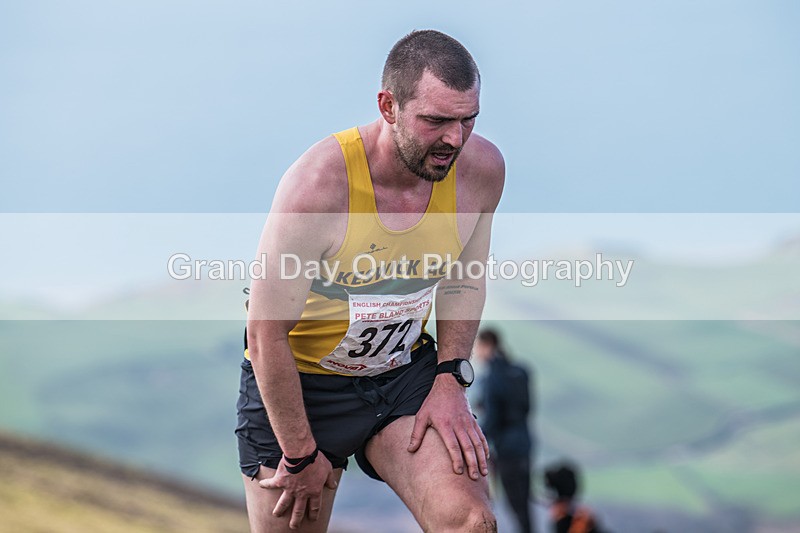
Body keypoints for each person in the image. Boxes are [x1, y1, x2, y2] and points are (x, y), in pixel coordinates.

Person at [235, 30, 505, 532]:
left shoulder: (482, 170)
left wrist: (450, 379)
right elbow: (264, 332)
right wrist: (298, 455)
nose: (454, 138)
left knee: (470, 522)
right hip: (302, 386)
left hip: (403, 374)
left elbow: (464, 281)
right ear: (388, 106)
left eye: (468, 120)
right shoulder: (318, 186)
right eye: (436, 120)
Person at [474, 328, 535, 533]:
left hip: (506, 448)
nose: (476, 353)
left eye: (478, 347)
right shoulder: (521, 371)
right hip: (525, 444)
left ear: (487, 345)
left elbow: (492, 419)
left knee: (514, 503)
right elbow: (527, 408)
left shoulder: (492, 377)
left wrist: (475, 440)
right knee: (524, 506)